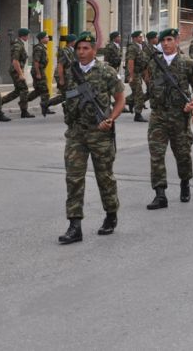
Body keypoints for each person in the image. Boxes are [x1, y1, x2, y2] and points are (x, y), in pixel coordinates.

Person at [57, 31, 125, 245]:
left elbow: (120, 99)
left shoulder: (106, 71)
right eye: (78, 49)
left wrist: (111, 119)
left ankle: (111, 213)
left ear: (94, 50)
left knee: (104, 177)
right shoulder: (71, 71)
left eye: (86, 48)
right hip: (76, 132)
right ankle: (74, 225)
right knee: (73, 178)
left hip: (99, 132)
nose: (81, 52)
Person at [144, 28, 193, 209]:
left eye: (169, 40)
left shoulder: (187, 63)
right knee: (156, 155)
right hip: (158, 115)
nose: (166, 44)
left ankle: (185, 182)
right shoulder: (154, 63)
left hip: (179, 116)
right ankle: (160, 194)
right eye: (163, 41)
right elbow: (149, 80)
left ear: (177, 41)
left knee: (182, 153)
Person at [0, 28, 35, 118]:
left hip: (17, 70)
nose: (28, 37)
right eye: (27, 35)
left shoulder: (19, 44)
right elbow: (15, 61)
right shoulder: (18, 45)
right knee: (24, 90)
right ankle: (24, 111)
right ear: (24, 36)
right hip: (16, 71)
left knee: (17, 91)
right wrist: (20, 74)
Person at [27, 31, 52, 115]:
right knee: (45, 90)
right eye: (46, 37)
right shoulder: (39, 48)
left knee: (38, 90)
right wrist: (38, 73)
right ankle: (45, 107)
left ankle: (24, 100)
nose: (48, 38)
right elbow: (36, 62)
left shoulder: (42, 47)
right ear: (41, 39)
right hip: (38, 70)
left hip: (40, 70)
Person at [125, 31, 148, 121]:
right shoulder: (132, 48)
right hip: (133, 73)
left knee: (136, 93)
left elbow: (144, 62)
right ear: (134, 38)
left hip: (138, 73)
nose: (141, 38)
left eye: (141, 37)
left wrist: (145, 75)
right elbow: (131, 62)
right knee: (139, 94)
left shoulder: (140, 47)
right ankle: (138, 114)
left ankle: (129, 102)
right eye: (139, 37)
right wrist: (131, 76)